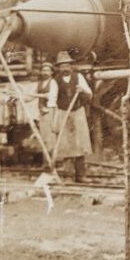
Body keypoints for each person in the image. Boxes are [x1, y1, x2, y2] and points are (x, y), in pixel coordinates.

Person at [52, 51, 93, 183]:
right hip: (63, 113)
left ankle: (81, 176)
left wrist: (82, 91)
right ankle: (68, 176)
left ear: (71, 66)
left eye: (67, 65)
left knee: (80, 145)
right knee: (66, 147)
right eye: (62, 66)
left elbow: (89, 95)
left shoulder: (79, 77)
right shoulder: (55, 81)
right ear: (59, 68)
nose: (65, 68)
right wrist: (54, 120)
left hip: (78, 112)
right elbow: (52, 100)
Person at [34, 61, 58, 152]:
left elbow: (49, 95)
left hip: (50, 110)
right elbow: (32, 96)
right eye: (43, 70)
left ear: (51, 72)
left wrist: (34, 95)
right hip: (41, 111)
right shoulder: (40, 83)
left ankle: (55, 160)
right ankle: (46, 161)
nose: (45, 72)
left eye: (47, 70)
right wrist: (20, 96)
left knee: (51, 136)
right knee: (44, 136)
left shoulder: (53, 82)